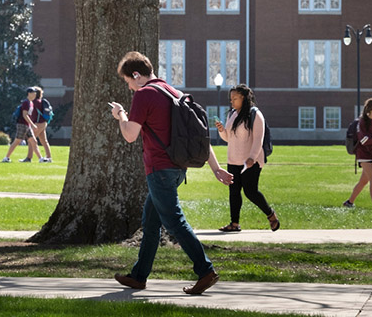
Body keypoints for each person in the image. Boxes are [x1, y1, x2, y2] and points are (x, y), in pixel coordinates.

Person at [109, 51, 233, 295]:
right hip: (177, 169)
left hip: (159, 169)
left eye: (129, 82)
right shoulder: (174, 92)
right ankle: (138, 276)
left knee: (174, 221)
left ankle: (205, 270)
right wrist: (215, 167)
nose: (131, 88)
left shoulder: (145, 95)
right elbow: (197, 135)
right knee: (151, 222)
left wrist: (120, 115)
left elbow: (130, 135)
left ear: (136, 75)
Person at [213, 84, 279, 233]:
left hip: (250, 161)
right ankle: (234, 224)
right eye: (231, 99)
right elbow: (228, 138)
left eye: (235, 98)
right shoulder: (232, 114)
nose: (232, 102)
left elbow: (258, 139)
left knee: (251, 191)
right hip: (233, 160)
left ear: (243, 98)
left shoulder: (255, 114)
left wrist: (252, 157)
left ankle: (271, 215)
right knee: (234, 192)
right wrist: (222, 130)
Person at [343, 97, 372, 212]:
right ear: (370, 109)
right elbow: (364, 140)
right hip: (363, 154)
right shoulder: (362, 122)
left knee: (364, 181)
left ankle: (349, 202)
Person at [2, 87, 41, 162]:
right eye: (33, 92)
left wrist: (30, 125)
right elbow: (25, 115)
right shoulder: (26, 103)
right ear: (29, 94)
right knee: (17, 141)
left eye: (35, 93)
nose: (35, 94)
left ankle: (41, 159)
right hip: (22, 124)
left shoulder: (31, 103)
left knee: (34, 141)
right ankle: (6, 158)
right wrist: (32, 124)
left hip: (27, 125)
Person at [29, 86, 53, 163]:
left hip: (38, 123)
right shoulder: (41, 101)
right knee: (43, 140)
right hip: (43, 122)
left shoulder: (35, 102)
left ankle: (29, 157)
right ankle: (49, 157)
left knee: (31, 139)